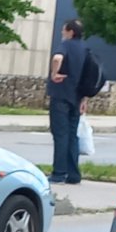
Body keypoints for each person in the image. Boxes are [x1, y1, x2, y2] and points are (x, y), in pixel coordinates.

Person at [48, 18, 89, 185]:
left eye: (64, 30)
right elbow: (88, 77)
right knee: (73, 135)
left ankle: (59, 173)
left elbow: (57, 58)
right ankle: (73, 174)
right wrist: (84, 99)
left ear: (71, 32)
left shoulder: (65, 45)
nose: (62, 33)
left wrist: (54, 73)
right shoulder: (86, 49)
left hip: (61, 96)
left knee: (60, 134)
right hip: (77, 97)